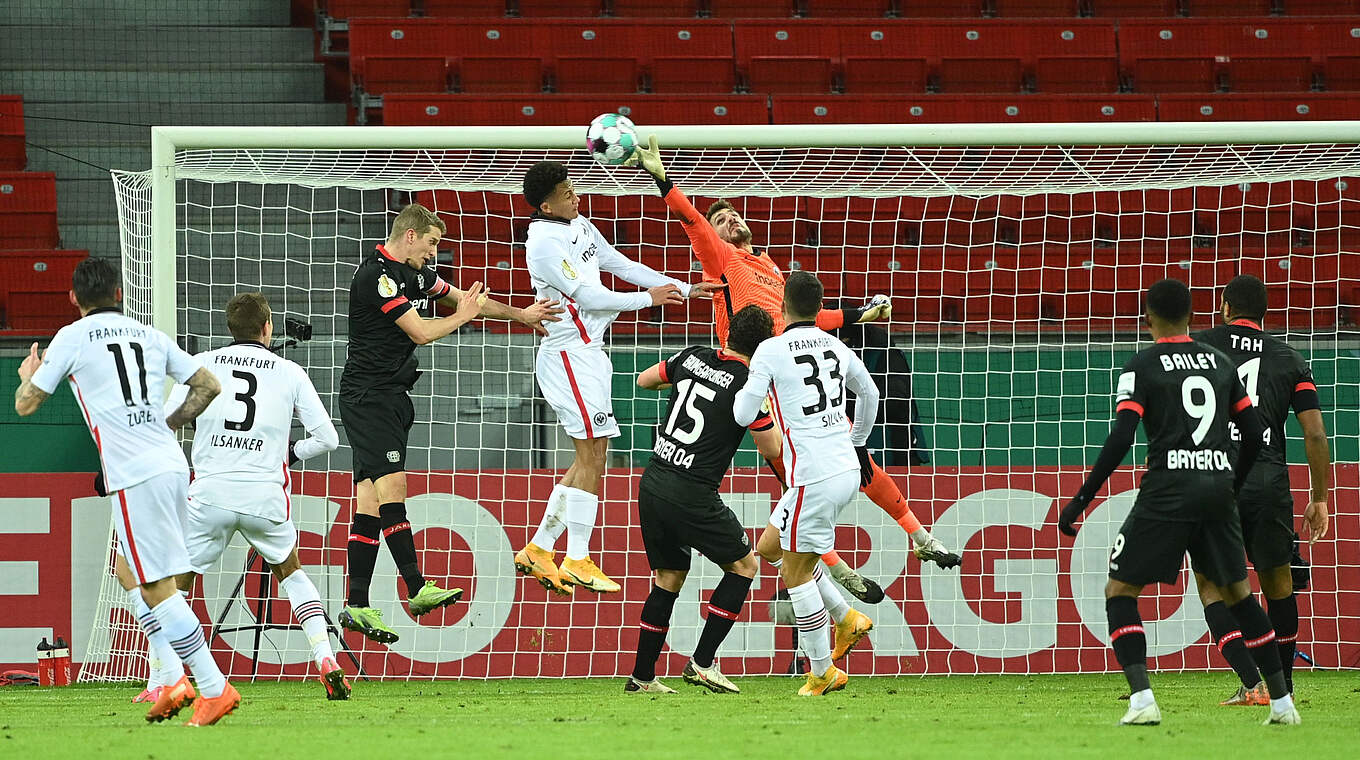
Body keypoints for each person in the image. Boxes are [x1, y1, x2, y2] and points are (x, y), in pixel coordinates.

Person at [627, 136, 959, 606]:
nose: (728, 221)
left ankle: (919, 538)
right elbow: (693, 223)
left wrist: (857, 315)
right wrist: (664, 181)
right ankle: (835, 571)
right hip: (753, 377)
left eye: (732, 215)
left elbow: (803, 320)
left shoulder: (768, 268)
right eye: (721, 221)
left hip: (793, 377)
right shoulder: (724, 260)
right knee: (798, 479)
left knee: (851, 457)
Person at [1058, 278, 1300, 726]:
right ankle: (1283, 705)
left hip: (1168, 488)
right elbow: (1252, 432)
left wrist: (1081, 499)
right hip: (1217, 487)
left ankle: (1143, 700)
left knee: (1120, 591)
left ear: (1147, 318)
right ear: (1193, 315)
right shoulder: (1221, 363)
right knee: (1242, 595)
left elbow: (1121, 437)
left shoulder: (1142, 365)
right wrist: (1232, 481)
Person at [14, 256, 240, 726]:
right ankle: (173, 678)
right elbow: (209, 385)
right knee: (134, 571)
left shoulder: (70, 338)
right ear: (119, 294)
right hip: (173, 465)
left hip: (135, 474)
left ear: (73, 298)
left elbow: (26, 404)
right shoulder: (150, 335)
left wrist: (25, 377)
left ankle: (212, 688)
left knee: (156, 585)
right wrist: (167, 422)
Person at [338, 203, 561, 643]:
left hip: (394, 395)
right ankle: (416, 587)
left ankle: (357, 605)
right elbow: (420, 331)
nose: (434, 253)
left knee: (368, 501)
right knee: (393, 488)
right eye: (432, 243)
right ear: (410, 236)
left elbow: (465, 299)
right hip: (368, 397)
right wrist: (465, 317)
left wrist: (521, 316)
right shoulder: (376, 276)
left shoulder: (419, 275)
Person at [513, 160, 723, 596]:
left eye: (573, 187)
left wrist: (682, 288)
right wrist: (649, 300)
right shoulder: (543, 246)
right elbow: (587, 295)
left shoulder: (579, 224)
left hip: (588, 353)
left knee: (589, 454)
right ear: (546, 206)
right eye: (566, 192)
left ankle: (538, 548)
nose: (575, 195)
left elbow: (621, 263)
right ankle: (577, 557)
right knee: (594, 454)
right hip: (567, 354)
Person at [163, 293, 349, 699]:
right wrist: (290, 453)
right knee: (293, 574)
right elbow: (328, 439)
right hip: (265, 496)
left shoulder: (204, 365)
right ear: (268, 328)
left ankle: (168, 675)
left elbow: (167, 423)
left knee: (179, 584)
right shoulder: (290, 371)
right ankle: (324, 656)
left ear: (231, 330)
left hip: (209, 493)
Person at [733, 272, 881, 696]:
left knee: (796, 575)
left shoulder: (770, 349)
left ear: (782, 303)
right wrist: (858, 444)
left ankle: (821, 672)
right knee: (769, 548)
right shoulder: (836, 345)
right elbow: (869, 394)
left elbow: (744, 416)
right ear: (819, 308)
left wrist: (754, 389)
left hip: (812, 476)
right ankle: (847, 618)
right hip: (843, 470)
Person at [626, 305, 781, 694]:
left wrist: (683, 381)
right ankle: (702, 662)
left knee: (668, 578)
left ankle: (642, 678)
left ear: (727, 332)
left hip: (654, 480)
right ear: (763, 347)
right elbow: (771, 445)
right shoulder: (749, 384)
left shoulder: (692, 355)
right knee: (745, 565)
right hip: (692, 491)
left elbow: (645, 380)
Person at [1191, 275, 1330, 705]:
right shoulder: (1289, 358)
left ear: (1226, 307)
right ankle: (1280, 690)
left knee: (1211, 583)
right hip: (1268, 481)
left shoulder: (1197, 348)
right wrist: (1320, 497)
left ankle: (1250, 682)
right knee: (1278, 585)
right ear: (1264, 312)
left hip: (1215, 477)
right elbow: (1315, 435)